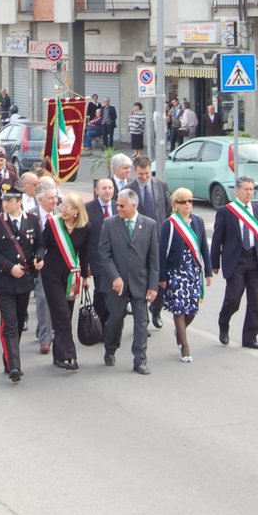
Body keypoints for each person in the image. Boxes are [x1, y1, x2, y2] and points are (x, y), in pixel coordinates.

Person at [0, 185, 45, 381]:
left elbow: (40, 245)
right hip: (5, 279)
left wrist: (38, 257)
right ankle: (14, 366)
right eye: (3, 200)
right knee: (9, 322)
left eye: (9, 201)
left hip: (25, 280)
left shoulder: (32, 221)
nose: (5, 204)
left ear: (19, 201)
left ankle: (9, 357)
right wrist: (9, 267)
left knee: (19, 321)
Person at [99, 188, 159, 375]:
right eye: (117, 204)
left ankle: (140, 360)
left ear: (134, 205)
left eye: (122, 205)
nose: (118, 208)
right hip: (117, 284)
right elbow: (104, 253)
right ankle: (110, 348)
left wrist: (153, 285)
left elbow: (153, 258)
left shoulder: (149, 225)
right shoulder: (109, 224)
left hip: (140, 283)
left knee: (142, 322)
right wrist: (115, 276)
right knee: (115, 319)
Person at [211, 175, 258, 349]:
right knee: (233, 299)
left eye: (251, 189)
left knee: (254, 300)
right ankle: (224, 322)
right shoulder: (226, 211)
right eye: (246, 189)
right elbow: (217, 239)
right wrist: (214, 263)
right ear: (237, 191)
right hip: (236, 260)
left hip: (254, 259)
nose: (249, 193)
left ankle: (250, 337)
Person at [158, 188, 212, 362]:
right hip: (176, 272)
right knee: (179, 309)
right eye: (183, 202)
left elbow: (204, 247)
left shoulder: (198, 221)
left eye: (190, 201)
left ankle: (180, 331)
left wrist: (209, 271)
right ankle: (185, 346)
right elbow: (161, 251)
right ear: (175, 204)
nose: (187, 204)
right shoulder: (169, 224)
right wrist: (162, 276)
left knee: (192, 309)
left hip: (193, 271)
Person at [41, 191, 91, 371]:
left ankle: (58, 354)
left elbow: (84, 253)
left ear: (77, 211)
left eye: (68, 207)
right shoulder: (53, 223)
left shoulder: (85, 227)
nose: (63, 209)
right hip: (51, 275)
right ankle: (69, 355)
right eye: (63, 206)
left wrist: (85, 276)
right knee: (61, 314)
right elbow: (42, 244)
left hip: (71, 275)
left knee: (66, 315)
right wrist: (38, 258)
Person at [128, 156, 172, 330]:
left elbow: (167, 210)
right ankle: (142, 319)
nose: (144, 178)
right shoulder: (129, 190)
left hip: (159, 239)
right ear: (135, 171)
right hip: (139, 241)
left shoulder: (160, 185)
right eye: (141, 175)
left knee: (160, 277)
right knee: (141, 280)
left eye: (147, 174)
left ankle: (156, 309)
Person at [85, 177, 116, 329]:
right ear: (97, 190)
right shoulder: (88, 208)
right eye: (104, 188)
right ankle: (98, 325)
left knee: (115, 295)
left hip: (117, 259)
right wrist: (86, 263)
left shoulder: (119, 207)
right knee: (101, 293)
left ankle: (110, 326)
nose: (108, 191)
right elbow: (85, 237)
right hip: (97, 259)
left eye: (110, 188)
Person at [32, 183, 58, 353]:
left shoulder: (61, 214)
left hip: (56, 265)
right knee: (42, 299)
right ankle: (44, 335)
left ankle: (48, 333)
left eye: (56, 197)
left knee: (52, 300)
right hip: (37, 263)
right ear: (40, 199)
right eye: (51, 198)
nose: (54, 201)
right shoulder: (31, 216)